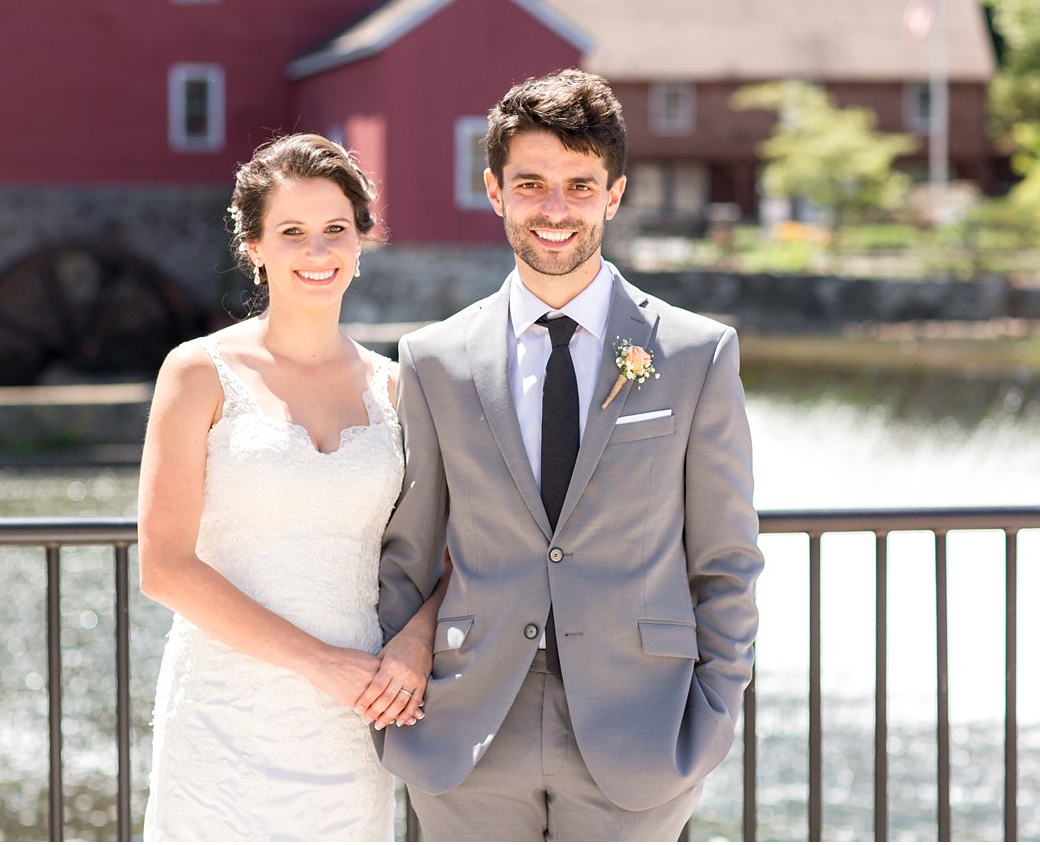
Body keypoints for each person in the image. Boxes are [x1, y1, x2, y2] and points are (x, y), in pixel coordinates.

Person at [377, 70, 763, 840]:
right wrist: (408, 708)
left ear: (613, 195)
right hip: (468, 730)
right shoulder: (434, 359)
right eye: (532, 184)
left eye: (579, 186)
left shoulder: (696, 353)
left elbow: (725, 558)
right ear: (495, 192)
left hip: (641, 732)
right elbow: (408, 553)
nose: (555, 210)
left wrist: (711, 715)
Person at [138, 134, 442, 841]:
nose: (318, 251)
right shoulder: (196, 372)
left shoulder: (397, 388)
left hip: (355, 716)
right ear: (255, 246)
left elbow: (454, 548)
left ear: (362, 242)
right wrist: (320, 663)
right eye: (293, 232)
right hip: (222, 714)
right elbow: (164, 566)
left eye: (337, 230)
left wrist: (417, 644)